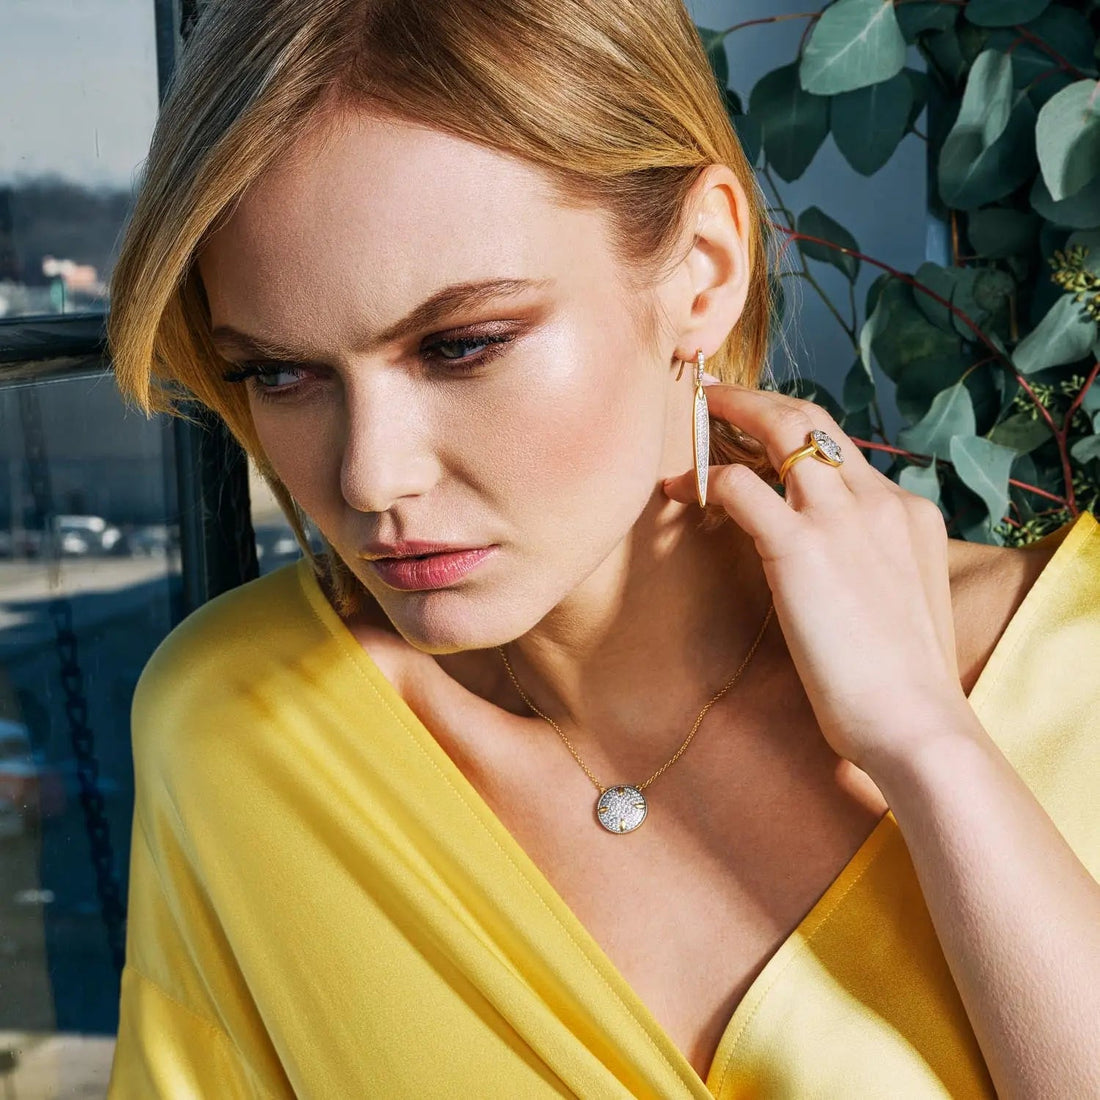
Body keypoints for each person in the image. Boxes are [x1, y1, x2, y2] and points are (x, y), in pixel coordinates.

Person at [104, 0, 1100, 1096]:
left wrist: (926, 742)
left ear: (701, 272)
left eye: (461, 345)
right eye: (280, 374)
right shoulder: (238, 731)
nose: (368, 476)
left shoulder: (1068, 672)